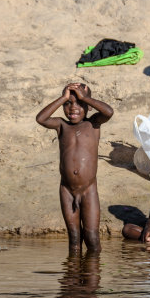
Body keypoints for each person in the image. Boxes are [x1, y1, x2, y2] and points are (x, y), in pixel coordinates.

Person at [36, 83, 113, 253]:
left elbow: (109, 112)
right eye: (68, 103)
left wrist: (85, 97)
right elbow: (41, 119)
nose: (73, 108)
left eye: (79, 103)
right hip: (67, 190)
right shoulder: (61, 125)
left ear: (89, 106)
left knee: (92, 238)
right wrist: (62, 98)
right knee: (74, 238)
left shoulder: (93, 124)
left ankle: (91, 274)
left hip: (88, 190)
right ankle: (73, 276)